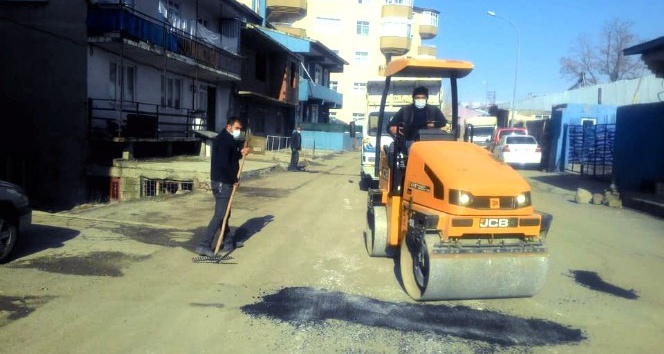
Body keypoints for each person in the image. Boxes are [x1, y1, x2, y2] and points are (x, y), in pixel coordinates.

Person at [196, 117, 250, 257]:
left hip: (225, 182)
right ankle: (204, 244)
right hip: (222, 183)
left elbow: (230, 158)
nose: (239, 131)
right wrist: (234, 179)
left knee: (226, 214)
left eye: (240, 128)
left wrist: (240, 153)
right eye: (237, 128)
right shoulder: (224, 140)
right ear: (229, 127)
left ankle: (227, 242)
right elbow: (223, 165)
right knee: (220, 215)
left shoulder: (228, 140)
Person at [387, 86, 447, 152]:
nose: (420, 99)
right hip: (410, 140)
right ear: (413, 99)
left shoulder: (434, 110)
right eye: (417, 98)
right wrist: (391, 128)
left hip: (429, 141)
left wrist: (434, 125)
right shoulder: (405, 110)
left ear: (426, 99)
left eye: (423, 98)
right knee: (413, 150)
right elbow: (390, 126)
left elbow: (443, 122)